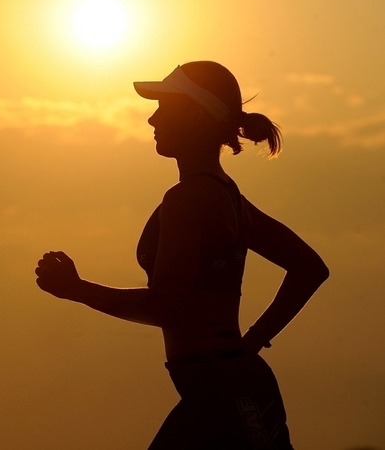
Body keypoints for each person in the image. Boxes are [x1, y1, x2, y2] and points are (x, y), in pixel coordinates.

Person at [34, 61, 329, 449]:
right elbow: (310, 268)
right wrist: (252, 341)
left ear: (195, 113)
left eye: (164, 107)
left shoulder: (190, 199)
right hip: (228, 389)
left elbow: (167, 307)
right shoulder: (227, 196)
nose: (151, 119)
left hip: (224, 396)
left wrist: (77, 290)